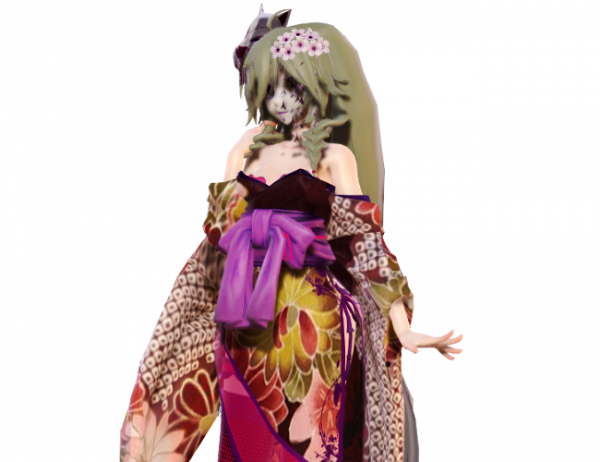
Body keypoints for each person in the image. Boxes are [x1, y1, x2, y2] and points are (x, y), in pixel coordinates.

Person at [120, 12, 463, 462]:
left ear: (315, 86)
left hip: (312, 322)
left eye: (291, 87)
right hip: (243, 319)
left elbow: (364, 244)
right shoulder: (248, 153)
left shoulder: (335, 157)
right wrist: (234, 160)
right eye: (270, 89)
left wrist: (402, 326)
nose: (279, 100)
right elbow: (219, 233)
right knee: (245, 434)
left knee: (309, 440)